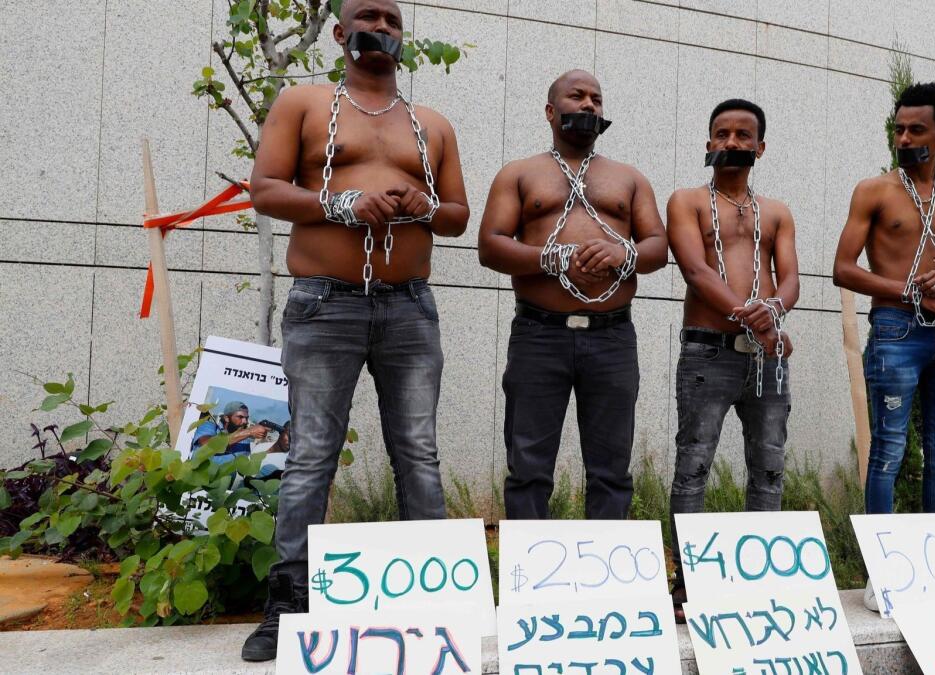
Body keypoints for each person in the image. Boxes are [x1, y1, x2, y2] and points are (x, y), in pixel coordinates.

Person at [240, 0, 470, 661]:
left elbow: (457, 214)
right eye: (369, 16)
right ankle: (287, 605)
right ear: (341, 34)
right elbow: (264, 189)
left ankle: (431, 603)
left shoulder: (432, 125)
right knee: (311, 455)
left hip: (410, 307)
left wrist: (426, 204)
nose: (383, 27)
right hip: (324, 304)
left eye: (394, 19)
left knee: (418, 454)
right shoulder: (305, 104)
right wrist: (340, 203)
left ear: (403, 37)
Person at [478, 69, 668, 520]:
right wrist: (552, 257)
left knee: (611, 467)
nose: (588, 105)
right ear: (550, 111)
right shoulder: (520, 173)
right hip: (539, 334)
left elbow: (658, 246)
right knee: (528, 465)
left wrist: (622, 253)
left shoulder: (629, 178)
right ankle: (530, 579)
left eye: (596, 99)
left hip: (612, 337)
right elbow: (490, 245)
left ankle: (607, 577)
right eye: (577, 96)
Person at [831, 81, 935, 612]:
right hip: (895, 330)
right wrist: (910, 289)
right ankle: (883, 573)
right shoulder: (873, 191)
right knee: (888, 452)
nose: (904, 137)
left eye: (916, 129)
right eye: (898, 128)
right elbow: (842, 269)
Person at [664, 98, 799, 620]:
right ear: (708, 142)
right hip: (709, 348)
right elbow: (696, 271)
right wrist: (756, 318)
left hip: (767, 356)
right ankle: (688, 584)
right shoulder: (688, 201)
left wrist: (772, 311)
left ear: (760, 147)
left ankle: (760, 579)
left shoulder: (778, 212)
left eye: (744, 136)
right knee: (693, 464)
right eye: (722, 134)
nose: (732, 143)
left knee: (768, 465)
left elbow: (790, 279)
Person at [190, 400, 269, 461]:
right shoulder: (210, 426)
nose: (245, 421)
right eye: (240, 417)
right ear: (227, 418)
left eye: (246, 418)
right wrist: (249, 431)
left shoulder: (246, 441)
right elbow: (206, 445)